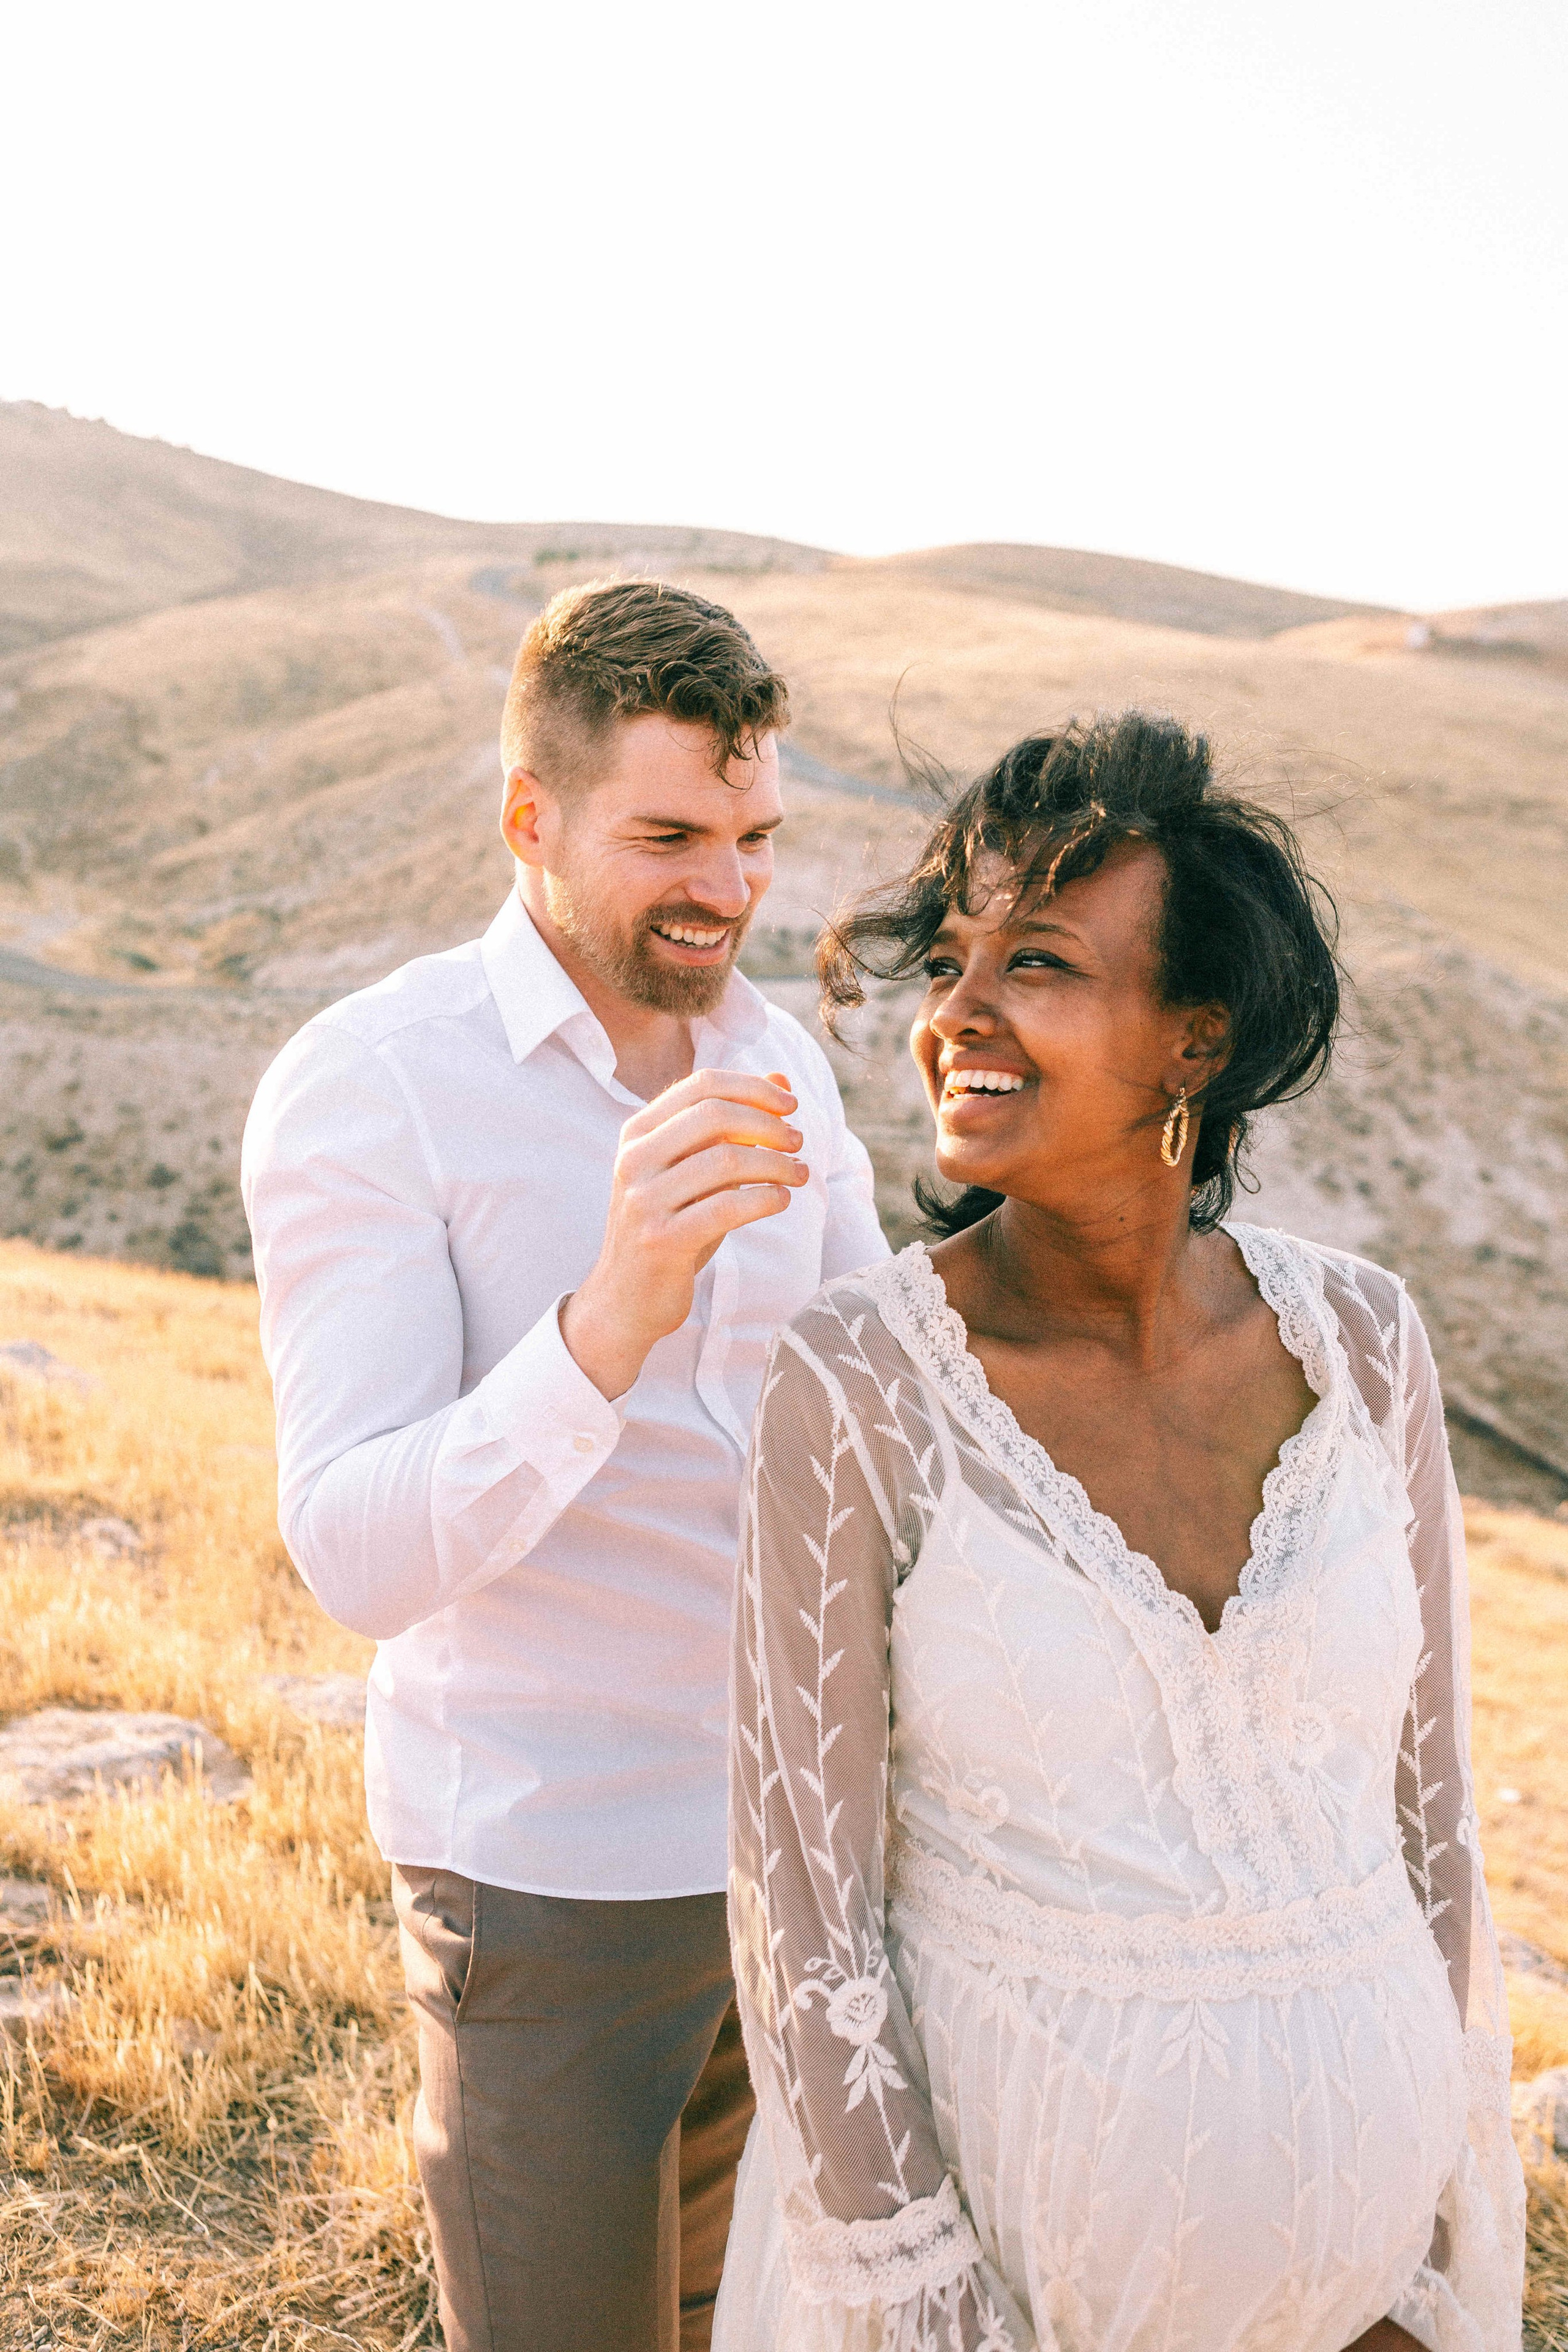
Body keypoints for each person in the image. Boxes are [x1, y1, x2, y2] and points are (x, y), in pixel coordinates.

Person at [717, 714, 1525, 2352]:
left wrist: (1433, 2266)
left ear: (1194, 1042)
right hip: (1005, 2308)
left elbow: (1429, 1825)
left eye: (1038, 962)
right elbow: (802, 1910)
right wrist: (935, 2321)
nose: (959, 1013)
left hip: (1372, 2309)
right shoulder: (861, 1378)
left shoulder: (1365, 1343)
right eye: (951, 962)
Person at [241, 579, 889, 2352]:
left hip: (799, 1857)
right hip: (547, 1878)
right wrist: (609, 1322)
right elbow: (354, 1553)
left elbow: (873, 1407)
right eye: (669, 837)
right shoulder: (376, 1083)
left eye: (755, 838)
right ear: (529, 817)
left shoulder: (781, 1062)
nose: (729, 889)